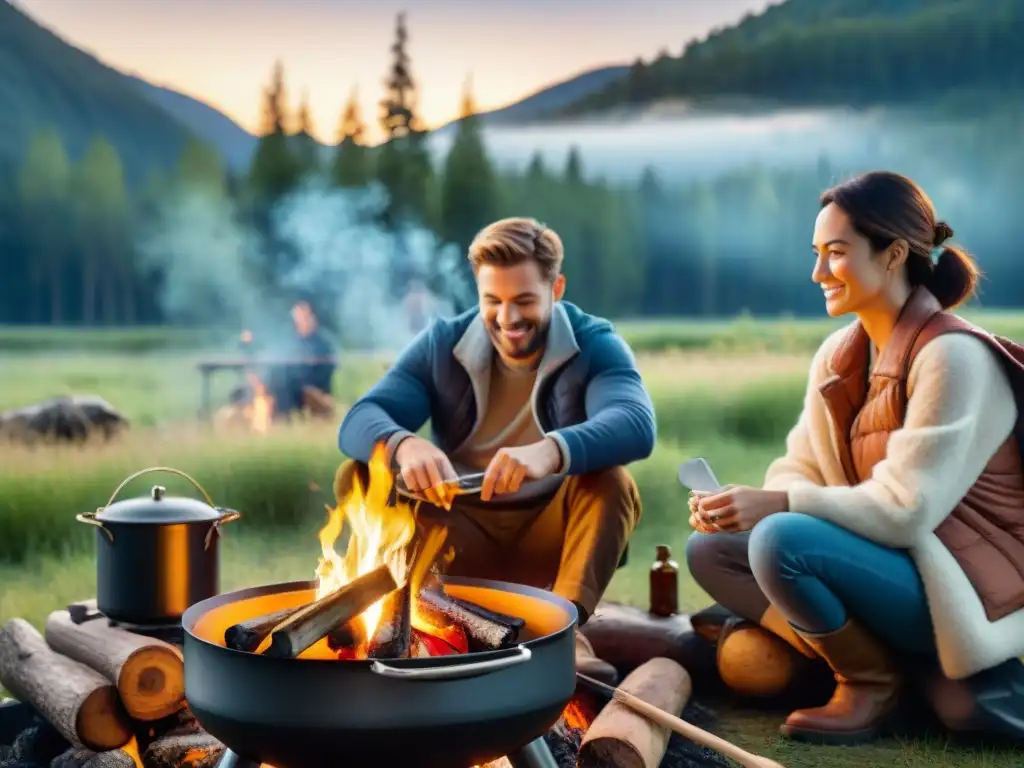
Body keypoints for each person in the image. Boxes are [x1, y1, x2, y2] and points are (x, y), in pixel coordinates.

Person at [685, 170, 1024, 745]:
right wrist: (741, 505)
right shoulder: (839, 356)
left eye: (836, 253)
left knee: (779, 540)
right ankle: (888, 668)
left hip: (962, 587)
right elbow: (802, 466)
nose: (818, 272)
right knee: (710, 548)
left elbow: (906, 511)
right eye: (816, 253)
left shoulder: (953, 357)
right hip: (891, 567)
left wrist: (779, 506)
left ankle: (867, 683)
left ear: (893, 255)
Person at [335, 217, 655, 682]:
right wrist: (405, 444)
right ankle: (415, 626)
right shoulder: (443, 344)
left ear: (556, 288)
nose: (508, 319)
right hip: (457, 531)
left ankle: (563, 634)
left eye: (524, 301)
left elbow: (636, 423)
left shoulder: (594, 343)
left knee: (612, 481)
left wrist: (549, 451)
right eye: (493, 301)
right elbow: (359, 418)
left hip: (551, 533)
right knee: (362, 473)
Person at [264, 300, 337, 418]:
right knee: (278, 384)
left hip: (314, 390)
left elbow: (326, 370)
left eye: (305, 317)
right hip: (290, 389)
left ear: (313, 318)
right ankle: (280, 421)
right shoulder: (290, 341)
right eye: (299, 317)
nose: (302, 320)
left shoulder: (322, 344)